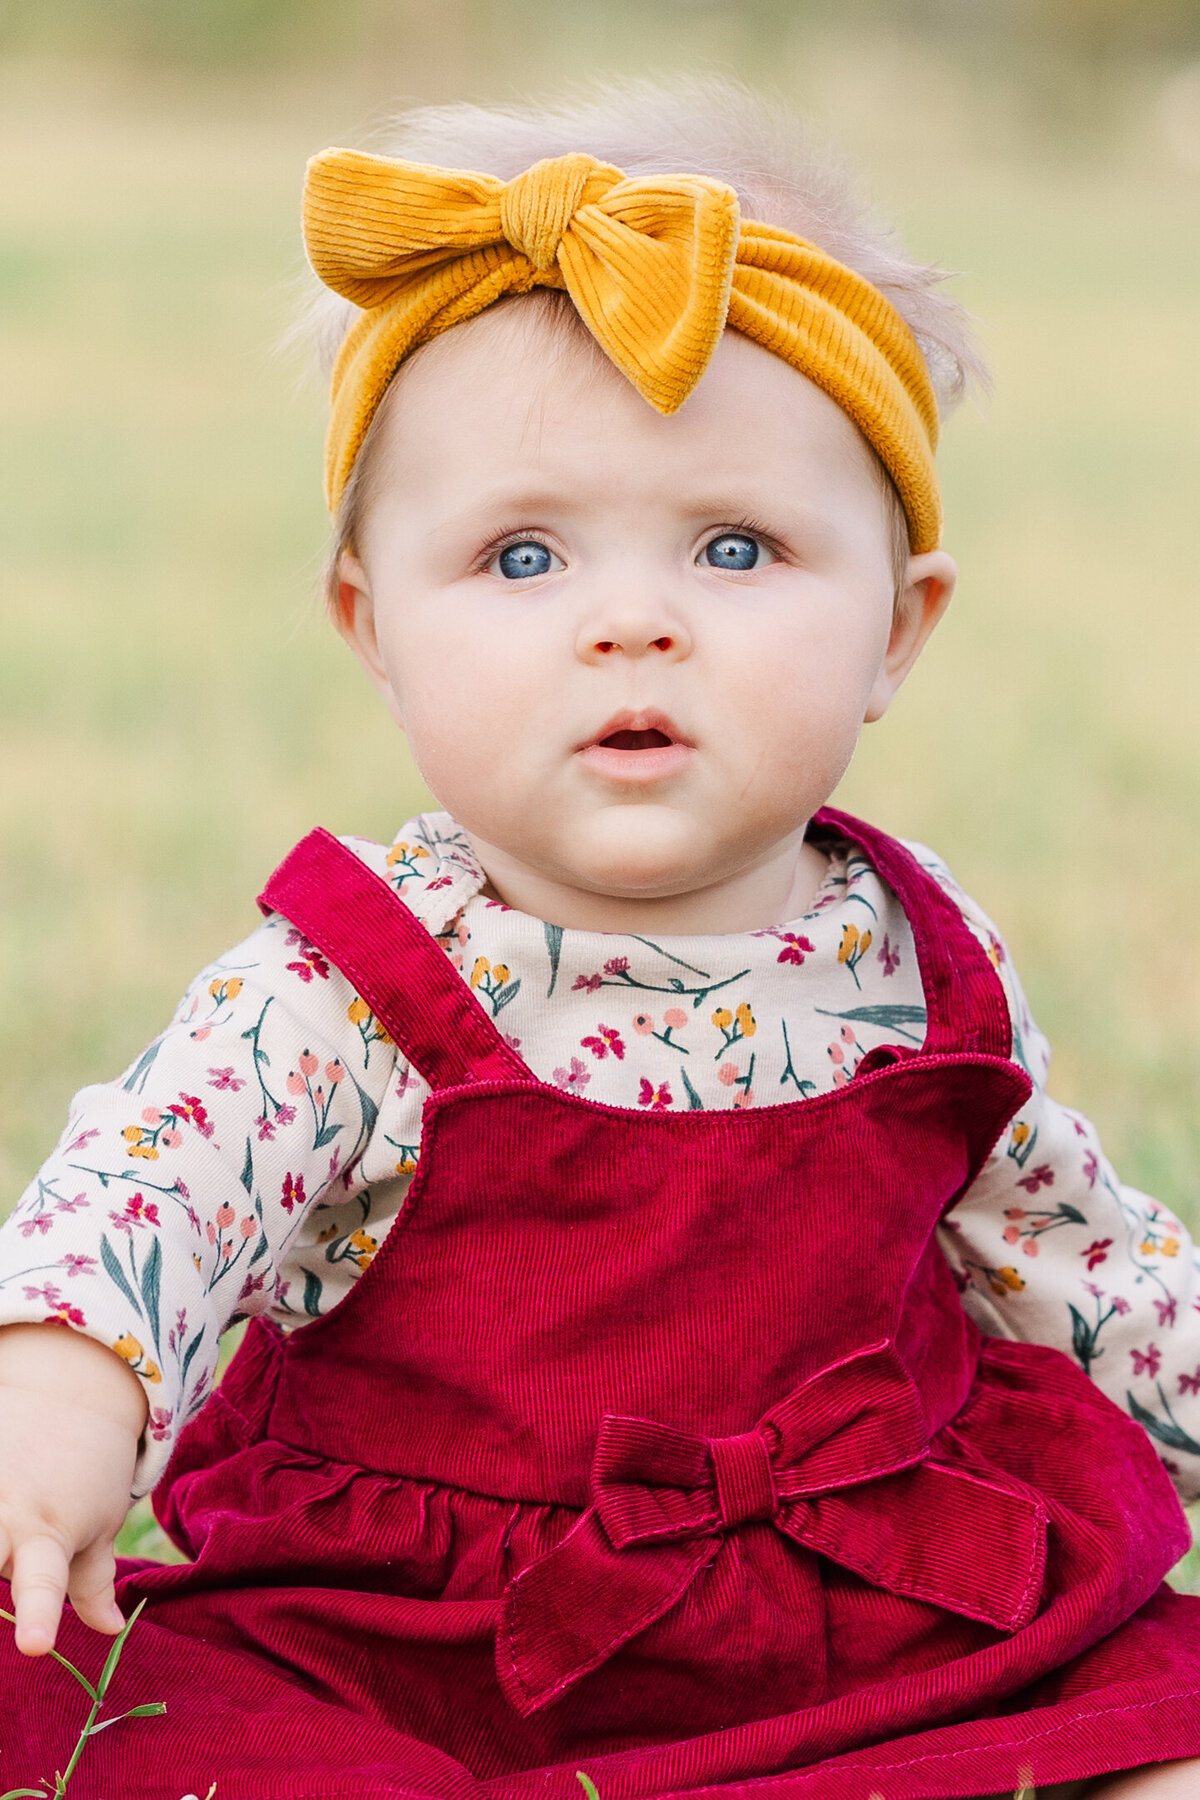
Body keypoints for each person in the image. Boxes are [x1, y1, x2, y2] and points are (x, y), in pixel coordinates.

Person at [0, 77, 1197, 1800]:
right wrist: (59, 1410)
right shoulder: (354, 985)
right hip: (417, 1651)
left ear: (898, 628)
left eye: (735, 547)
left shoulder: (914, 959)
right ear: (374, 625)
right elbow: (151, 1197)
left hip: (868, 1624)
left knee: (1154, 1733)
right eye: (521, 556)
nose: (631, 621)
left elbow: (1080, 1261)